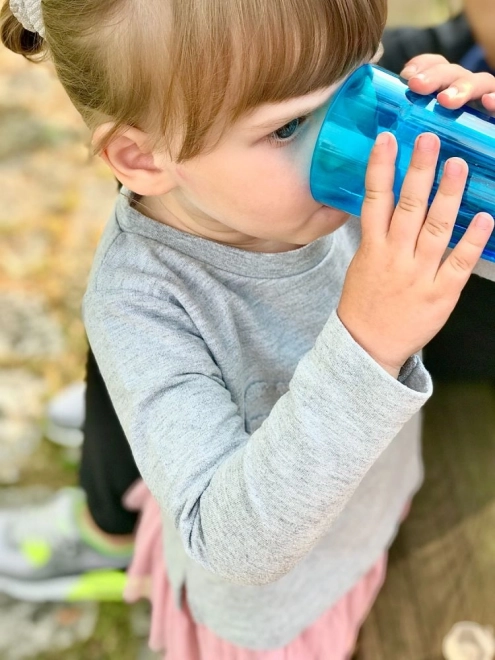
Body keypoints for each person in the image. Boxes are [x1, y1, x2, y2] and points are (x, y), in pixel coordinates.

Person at [2, 3, 495, 658]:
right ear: (141, 156)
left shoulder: (342, 186)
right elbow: (228, 543)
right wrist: (369, 343)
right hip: (277, 611)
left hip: (365, 517)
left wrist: (464, 150)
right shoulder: (141, 304)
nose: (351, 132)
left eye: (359, 76)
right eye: (289, 126)